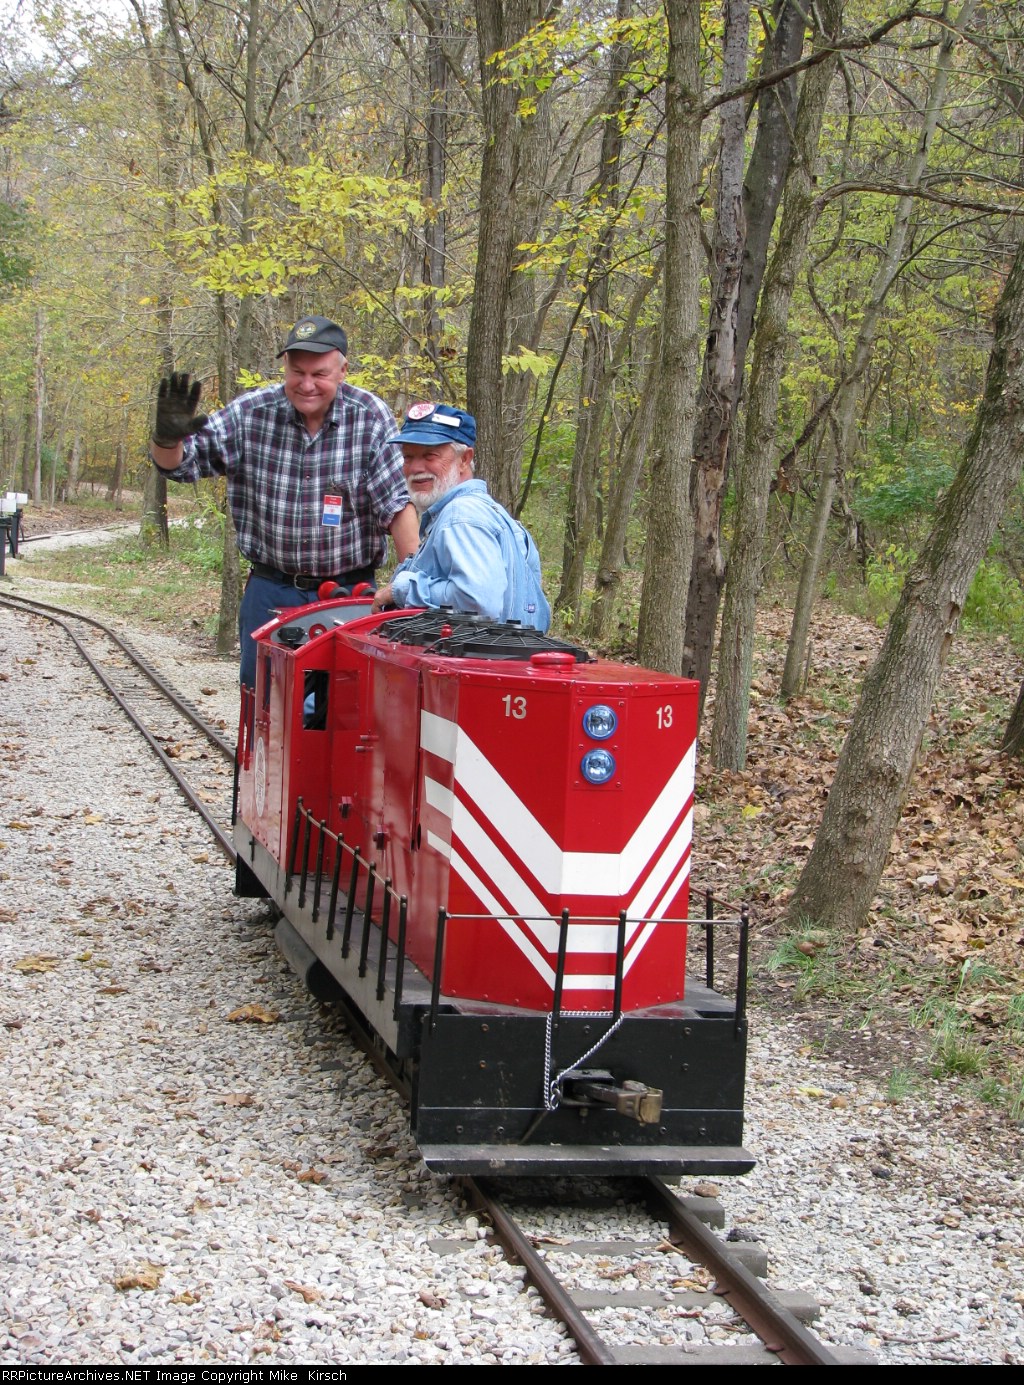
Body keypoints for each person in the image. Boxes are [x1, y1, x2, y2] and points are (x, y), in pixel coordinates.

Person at [149, 315, 419, 686]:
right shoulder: (251, 413)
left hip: (349, 592)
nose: (307, 384)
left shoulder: (370, 417)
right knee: (262, 700)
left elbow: (396, 505)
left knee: (343, 707)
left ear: (342, 370)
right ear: (285, 369)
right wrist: (166, 439)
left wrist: (412, 587)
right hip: (270, 588)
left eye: (319, 374)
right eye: (297, 372)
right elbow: (181, 466)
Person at [371, 403, 550, 631]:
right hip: (506, 661)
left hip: (480, 663)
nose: (416, 468)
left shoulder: (461, 515)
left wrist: (402, 589)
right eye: (408, 457)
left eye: (430, 455)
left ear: (465, 459)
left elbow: (479, 600)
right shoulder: (492, 513)